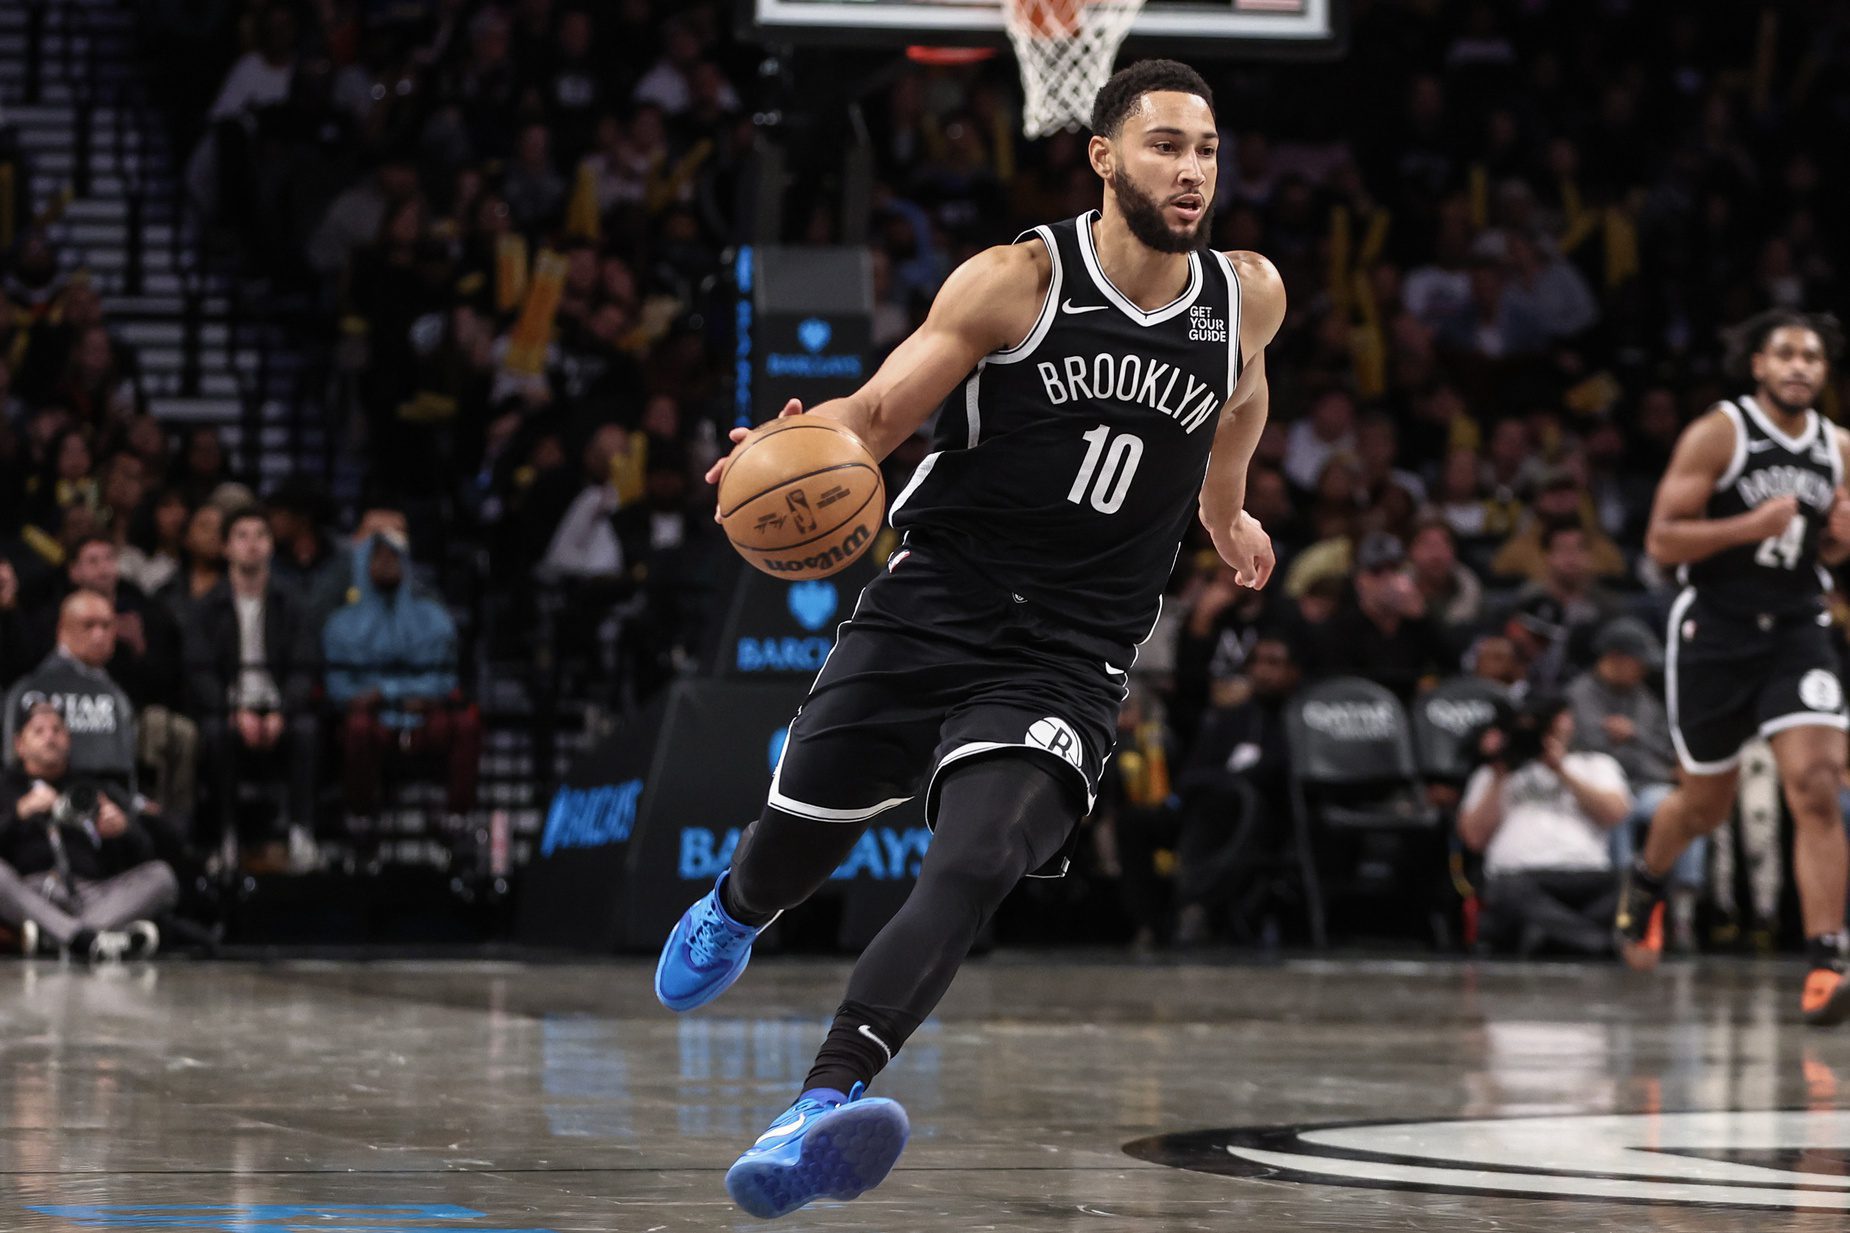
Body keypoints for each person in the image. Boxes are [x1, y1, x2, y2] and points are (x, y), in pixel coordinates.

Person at [652, 61, 1284, 1219]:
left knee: (977, 859)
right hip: (938, 603)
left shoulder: (1244, 294)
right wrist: (791, 446)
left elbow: (1238, 399)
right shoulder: (1017, 280)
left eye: (1203, 149)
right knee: (792, 852)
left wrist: (1224, 512)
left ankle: (817, 1105)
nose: (1190, 170)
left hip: (1073, 650)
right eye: (1163, 146)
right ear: (1103, 158)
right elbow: (878, 413)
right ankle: (735, 905)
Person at [1613, 310, 1850, 1025]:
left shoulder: (1840, 447)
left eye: (1812, 356)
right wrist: (1748, 526)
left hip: (1798, 629)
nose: (1800, 365)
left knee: (1815, 785)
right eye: (1786, 353)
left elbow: (1829, 549)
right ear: (1758, 364)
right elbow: (1662, 541)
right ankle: (1647, 879)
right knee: (1704, 807)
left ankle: (1827, 961)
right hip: (1716, 630)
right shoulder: (1721, 432)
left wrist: (1840, 542)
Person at [184, 507, 322, 871]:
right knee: (215, 734)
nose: (252, 544)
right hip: (228, 709)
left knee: (306, 731)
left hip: (279, 708)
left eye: (260, 535)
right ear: (226, 547)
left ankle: (301, 833)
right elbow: (200, 672)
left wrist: (282, 711)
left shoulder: (293, 603)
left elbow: (304, 666)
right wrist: (234, 710)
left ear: (271, 546)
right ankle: (225, 837)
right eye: (242, 536)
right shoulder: (206, 607)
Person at [323, 530, 480, 829]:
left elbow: (445, 679)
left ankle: (458, 817)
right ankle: (360, 817)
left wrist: (390, 691)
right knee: (357, 727)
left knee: (467, 723)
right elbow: (338, 687)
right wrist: (382, 697)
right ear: (363, 564)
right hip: (373, 718)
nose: (386, 564)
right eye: (378, 557)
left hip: (425, 712)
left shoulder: (434, 618)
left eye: (393, 556)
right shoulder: (340, 625)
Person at [1459, 694, 1631, 956]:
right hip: (1517, 875)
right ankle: (1595, 943)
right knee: (1506, 890)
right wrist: (1500, 772)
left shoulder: (1595, 764)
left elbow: (1615, 813)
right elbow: (1473, 838)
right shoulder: (1493, 772)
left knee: (1633, 888)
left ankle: (1551, 934)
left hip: (1585, 876)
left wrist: (1562, 770)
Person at [0, 704, 175, 962]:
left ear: (69, 739)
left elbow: (146, 849)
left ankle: (61, 937)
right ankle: (90, 938)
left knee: (162, 876)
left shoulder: (93, 788)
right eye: (39, 731)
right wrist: (19, 812)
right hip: (32, 893)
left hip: (92, 894)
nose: (50, 737)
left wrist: (123, 830)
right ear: (19, 744)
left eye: (57, 730)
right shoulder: (6, 788)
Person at [1567, 618, 1702, 949]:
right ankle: (1626, 908)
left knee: (1688, 810)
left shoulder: (1644, 698)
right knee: (1618, 812)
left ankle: (1683, 915)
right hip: (1599, 789)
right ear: (1614, 657)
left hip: (1646, 786)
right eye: (1637, 661)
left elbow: (1666, 749)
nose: (1642, 670)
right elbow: (1582, 748)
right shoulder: (1579, 695)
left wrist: (1635, 736)